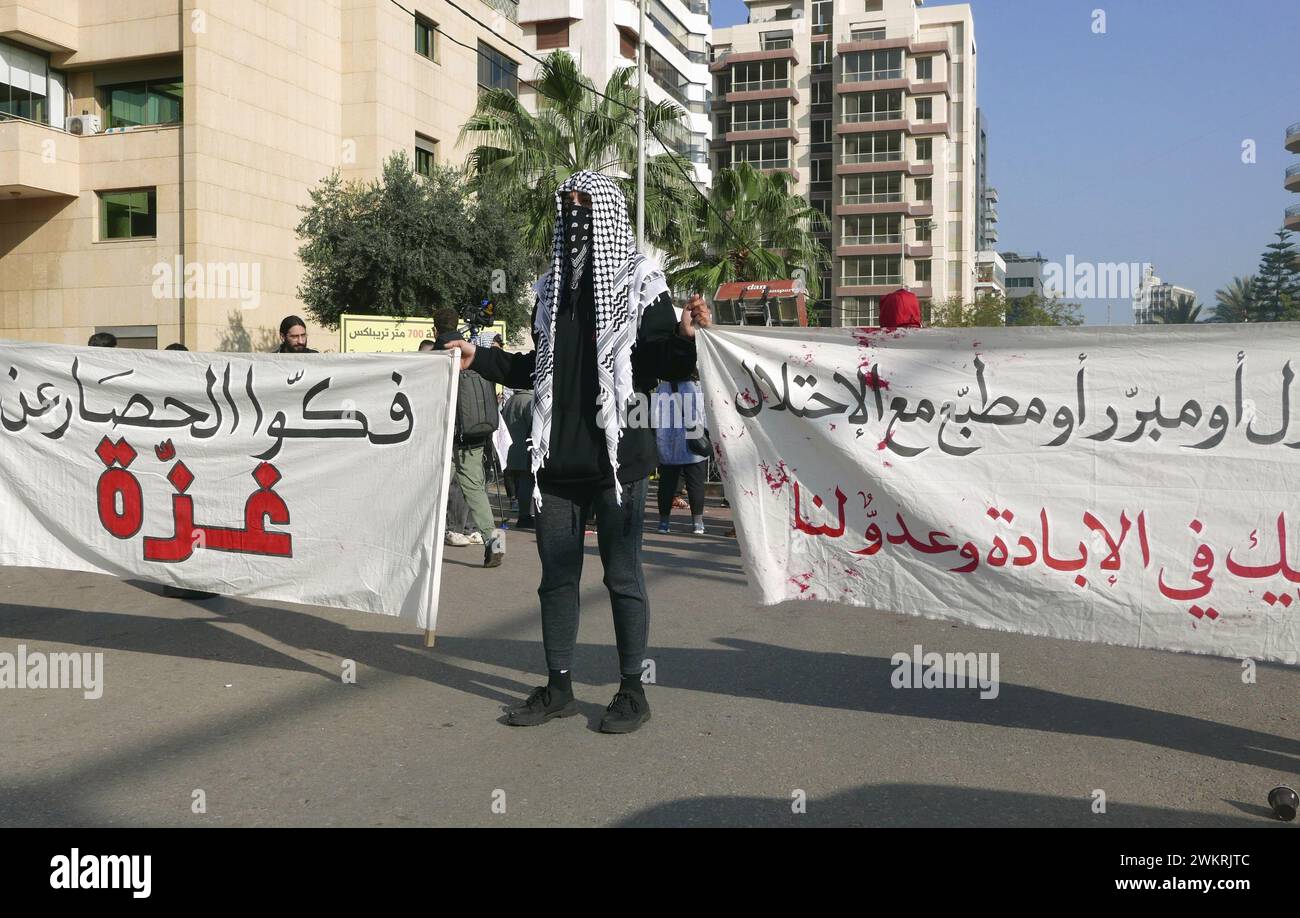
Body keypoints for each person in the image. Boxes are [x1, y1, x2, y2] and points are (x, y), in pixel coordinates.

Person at [449, 171, 712, 734]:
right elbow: (535, 367)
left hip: (618, 462)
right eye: (565, 206)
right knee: (556, 577)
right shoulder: (550, 289)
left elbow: (658, 360)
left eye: (582, 206)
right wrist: (481, 358)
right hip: (557, 463)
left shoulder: (641, 282)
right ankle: (559, 686)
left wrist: (687, 339)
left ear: (608, 213)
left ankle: (632, 691)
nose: (572, 216)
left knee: (622, 575)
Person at [430, 314, 505, 567]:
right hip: (474, 433)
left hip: (448, 435)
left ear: (435, 327)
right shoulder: (472, 351)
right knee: (475, 489)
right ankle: (495, 543)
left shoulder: (441, 352)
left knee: (431, 485)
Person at [654, 377, 709, 535]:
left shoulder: (663, 387)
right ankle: (697, 523)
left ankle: (664, 522)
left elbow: (655, 415)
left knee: (666, 483)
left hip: (668, 443)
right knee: (696, 482)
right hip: (693, 440)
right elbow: (703, 414)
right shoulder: (695, 386)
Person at [502, 388, 535, 528]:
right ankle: (524, 516)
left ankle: (523, 514)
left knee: (519, 483)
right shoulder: (528, 401)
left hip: (510, 450)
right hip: (524, 450)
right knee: (526, 484)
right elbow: (534, 425)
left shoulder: (510, 400)